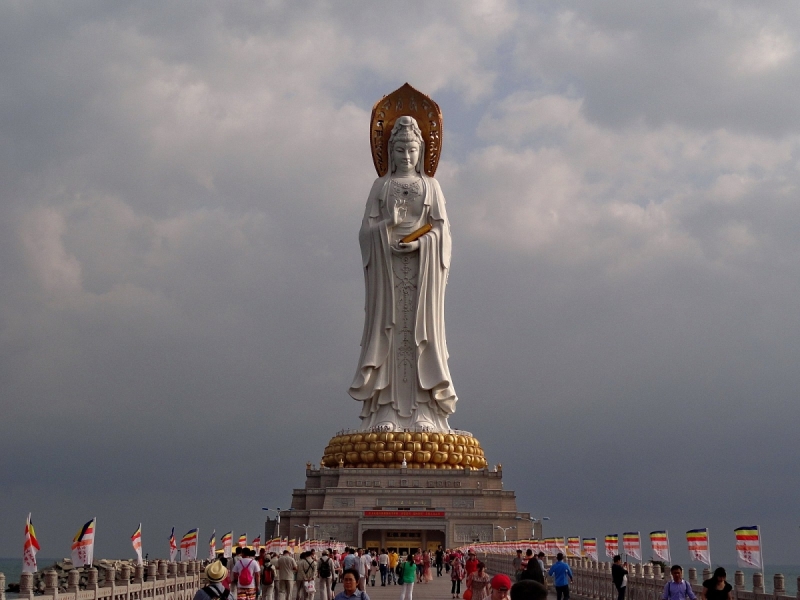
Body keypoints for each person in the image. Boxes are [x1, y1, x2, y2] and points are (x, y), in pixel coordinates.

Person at [349, 115, 456, 431]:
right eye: (399, 151)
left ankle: (425, 410)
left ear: (420, 152)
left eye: (411, 150)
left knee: (421, 335)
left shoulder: (431, 186)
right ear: (390, 152)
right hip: (388, 275)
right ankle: (386, 412)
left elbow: (443, 232)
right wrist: (388, 226)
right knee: (391, 334)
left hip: (422, 276)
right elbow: (364, 233)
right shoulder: (381, 186)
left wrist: (424, 243)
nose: (406, 157)